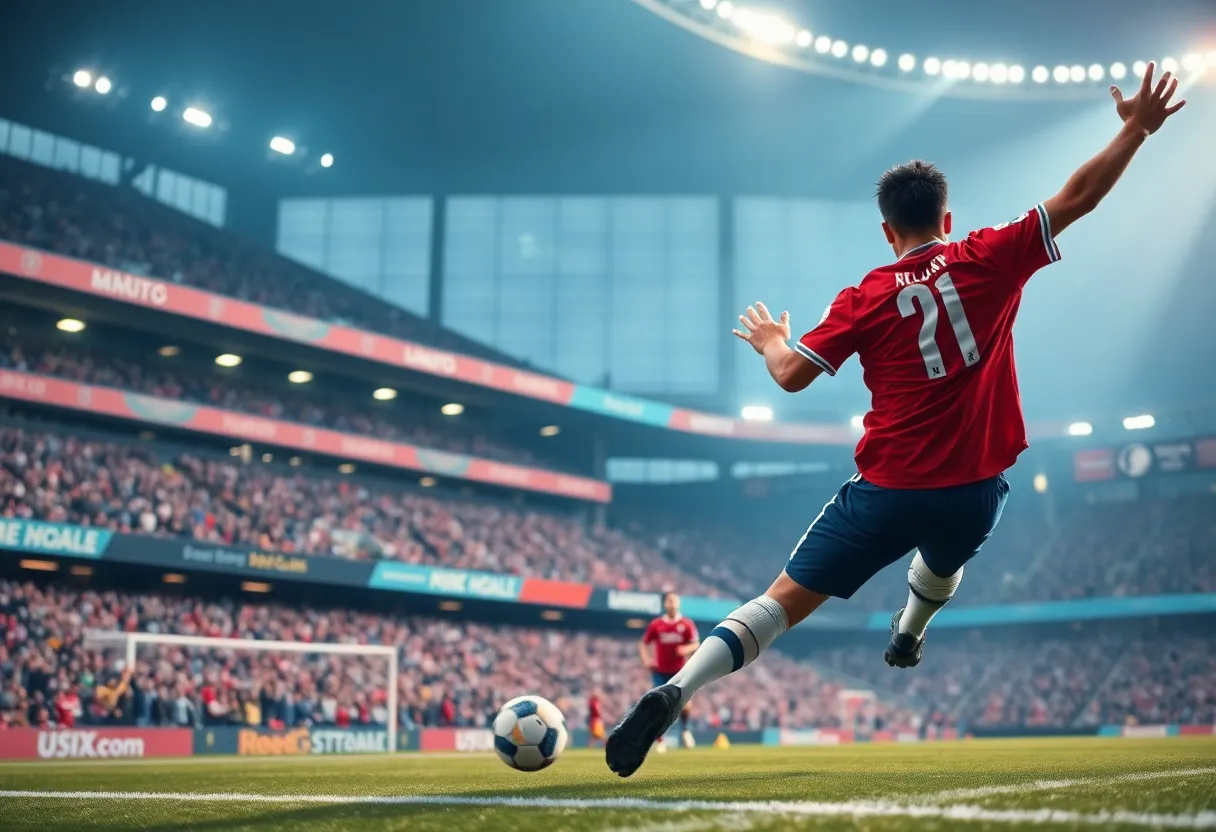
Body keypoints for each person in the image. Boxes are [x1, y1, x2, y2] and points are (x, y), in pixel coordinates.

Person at [606, 63, 1186, 778]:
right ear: (948, 219)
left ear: (887, 232)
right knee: (945, 561)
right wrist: (1135, 128)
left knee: (781, 602)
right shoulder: (988, 255)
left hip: (888, 489)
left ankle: (675, 691)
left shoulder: (865, 296)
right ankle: (910, 634)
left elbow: (790, 376)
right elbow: (1079, 196)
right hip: (975, 487)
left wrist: (772, 342)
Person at [638, 592, 699, 750]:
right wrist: (646, 660)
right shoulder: (656, 624)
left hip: (680, 671)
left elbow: (696, 645)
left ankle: (685, 731)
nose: (671, 604)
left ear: (678, 604)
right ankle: (659, 740)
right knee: (660, 706)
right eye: (669, 601)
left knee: (685, 704)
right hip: (660, 671)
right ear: (665, 605)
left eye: (674, 601)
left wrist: (686, 648)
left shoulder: (686, 624)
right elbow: (643, 643)